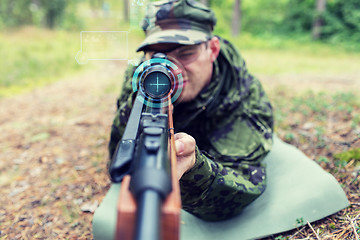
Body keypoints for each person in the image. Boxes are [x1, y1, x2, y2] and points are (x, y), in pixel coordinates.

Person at [108, 0, 273, 221]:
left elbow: (242, 184)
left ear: (212, 49)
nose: (170, 69)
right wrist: (137, 108)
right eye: (157, 55)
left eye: (185, 53)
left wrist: (194, 169)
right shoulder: (142, 74)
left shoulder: (240, 92)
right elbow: (118, 156)